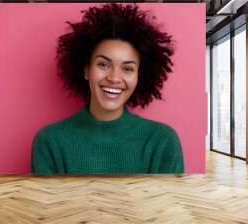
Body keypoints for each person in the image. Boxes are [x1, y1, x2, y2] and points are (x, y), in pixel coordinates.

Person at [30, 3, 184, 175]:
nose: (114, 78)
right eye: (103, 64)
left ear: (138, 77)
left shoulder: (162, 141)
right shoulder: (50, 141)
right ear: (87, 70)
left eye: (127, 68)